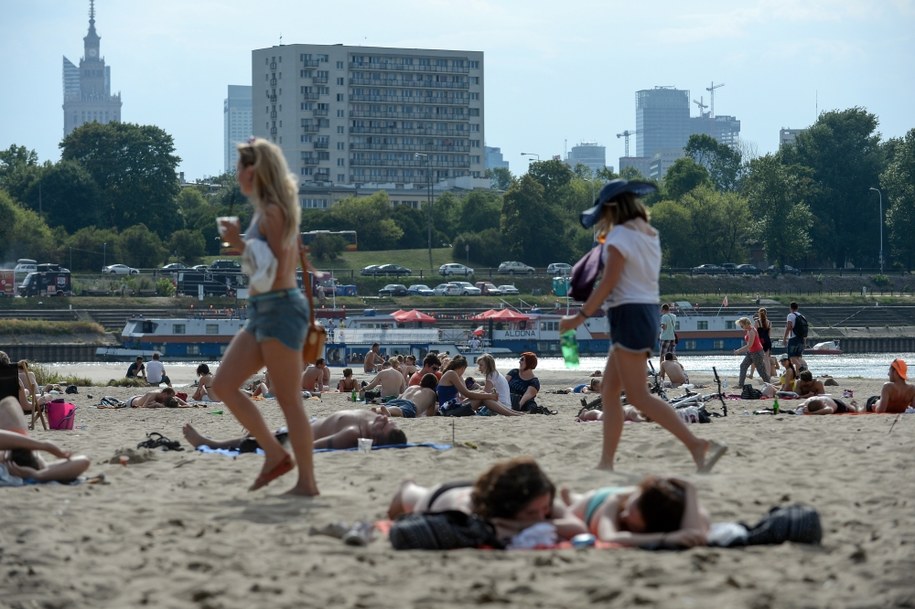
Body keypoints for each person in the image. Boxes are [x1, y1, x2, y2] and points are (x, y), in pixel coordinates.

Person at [558, 179, 726, 473]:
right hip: (645, 311)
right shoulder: (650, 233)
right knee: (610, 391)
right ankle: (606, 463)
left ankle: (696, 445)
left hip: (630, 315)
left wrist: (578, 317)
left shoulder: (619, 236)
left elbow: (608, 282)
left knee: (637, 396)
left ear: (611, 209)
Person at [210, 136, 318, 496]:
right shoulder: (268, 210)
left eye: (240, 166)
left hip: (280, 309)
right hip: (264, 310)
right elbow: (270, 264)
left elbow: (273, 267)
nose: (236, 173)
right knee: (222, 385)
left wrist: (240, 243)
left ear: (253, 170)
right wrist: (242, 243)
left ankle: (307, 483)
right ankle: (274, 453)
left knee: (290, 401)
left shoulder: (273, 211)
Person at [386, 457, 587, 542]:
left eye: (545, 509)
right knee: (409, 497)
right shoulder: (468, 510)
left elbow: (578, 528)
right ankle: (407, 486)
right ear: (509, 507)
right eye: (532, 513)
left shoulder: (539, 498)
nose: (541, 516)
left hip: (482, 489)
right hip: (444, 497)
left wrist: (524, 524)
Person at [565, 476, 708, 547]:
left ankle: (573, 496)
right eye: (628, 510)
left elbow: (696, 534)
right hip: (594, 503)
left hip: (634, 497)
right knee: (569, 513)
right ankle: (572, 497)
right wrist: (664, 538)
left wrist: (690, 490)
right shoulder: (615, 501)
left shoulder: (675, 514)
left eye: (632, 522)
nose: (623, 515)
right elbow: (608, 537)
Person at [183, 409, 406, 452]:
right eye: (389, 421)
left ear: (376, 438)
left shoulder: (354, 433)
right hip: (308, 422)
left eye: (385, 425)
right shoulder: (373, 421)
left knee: (254, 441)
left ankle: (210, 444)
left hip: (298, 435)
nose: (384, 419)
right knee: (257, 435)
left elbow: (309, 448)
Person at [0, 397, 91, 483]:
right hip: (31, 467)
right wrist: (36, 474)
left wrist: (44, 446)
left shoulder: (6, 463)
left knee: (7, 404)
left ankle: (21, 439)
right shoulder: (41, 468)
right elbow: (84, 461)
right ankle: (22, 438)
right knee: (8, 404)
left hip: (19, 462)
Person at [373, 373, 439, 418]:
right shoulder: (432, 393)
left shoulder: (412, 387)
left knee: (391, 405)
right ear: (434, 385)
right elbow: (429, 414)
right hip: (411, 405)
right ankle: (388, 411)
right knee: (401, 411)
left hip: (398, 400)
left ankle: (377, 410)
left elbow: (400, 396)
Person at [735, 316, 771, 388]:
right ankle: (740, 384)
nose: (741, 327)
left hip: (757, 352)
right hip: (751, 352)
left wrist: (739, 350)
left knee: (761, 370)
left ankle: (769, 384)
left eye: (742, 325)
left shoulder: (752, 331)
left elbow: (749, 345)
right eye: (741, 325)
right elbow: (750, 346)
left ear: (746, 324)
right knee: (743, 366)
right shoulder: (748, 330)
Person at [783, 302, 809, 371]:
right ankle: (799, 374)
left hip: (793, 338)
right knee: (798, 357)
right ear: (797, 308)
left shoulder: (790, 315)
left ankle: (801, 368)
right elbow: (805, 330)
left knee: (791, 357)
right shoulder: (802, 316)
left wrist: (784, 338)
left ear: (790, 308)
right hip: (801, 339)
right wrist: (804, 342)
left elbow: (789, 327)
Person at [127, 387, 191, 408]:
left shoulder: (165, 397)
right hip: (132, 401)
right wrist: (157, 405)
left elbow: (188, 405)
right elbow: (143, 407)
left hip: (141, 397)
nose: (171, 398)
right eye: (170, 397)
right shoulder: (153, 395)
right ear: (165, 394)